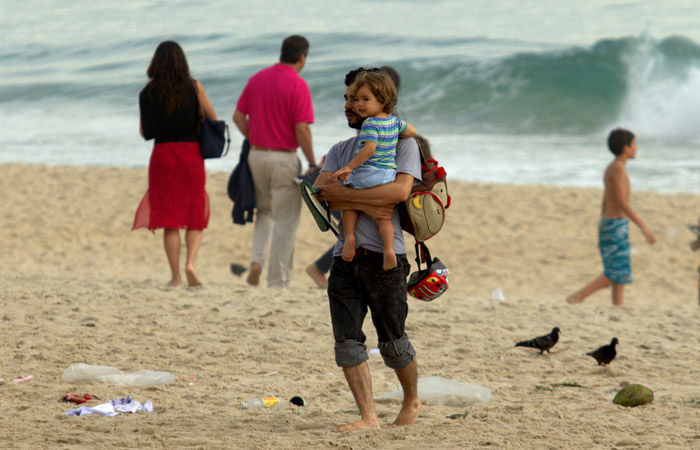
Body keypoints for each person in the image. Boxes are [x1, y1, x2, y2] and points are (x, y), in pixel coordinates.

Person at [313, 67, 422, 431]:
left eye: (357, 99)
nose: (350, 106)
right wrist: (356, 198)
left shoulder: (404, 145)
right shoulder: (339, 149)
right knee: (346, 341)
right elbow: (323, 193)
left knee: (393, 340)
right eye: (347, 99)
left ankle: (411, 400)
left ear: (379, 103)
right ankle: (368, 417)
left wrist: (346, 194)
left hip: (386, 258)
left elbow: (399, 192)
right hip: (344, 256)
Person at [232, 35, 317, 288]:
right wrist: (312, 161)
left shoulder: (257, 78)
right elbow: (301, 129)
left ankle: (257, 260)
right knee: (285, 220)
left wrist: (255, 138)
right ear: (302, 57)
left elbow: (238, 117)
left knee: (265, 212)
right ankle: (277, 281)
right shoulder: (298, 84)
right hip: (283, 158)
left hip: (256, 156)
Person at [132, 40, 217, 287]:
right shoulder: (194, 87)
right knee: (194, 211)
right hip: (190, 154)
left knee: (170, 218)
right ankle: (190, 263)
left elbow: (143, 131)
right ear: (182, 62)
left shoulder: (147, 93)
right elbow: (212, 116)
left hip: (162, 156)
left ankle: (175, 277)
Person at [333, 72, 416, 270]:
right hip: (387, 176)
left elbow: (369, 149)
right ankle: (388, 249)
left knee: (349, 201)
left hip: (368, 173)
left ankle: (350, 237)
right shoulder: (394, 123)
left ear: (382, 101)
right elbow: (411, 131)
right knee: (384, 217)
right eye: (356, 99)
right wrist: (398, 133)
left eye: (364, 99)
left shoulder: (370, 124)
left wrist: (350, 167)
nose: (358, 104)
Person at [566, 128, 656, 306]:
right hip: (616, 224)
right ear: (626, 148)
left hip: (610, 223)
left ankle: (618, 307)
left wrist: (601, 227)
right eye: (634, 145)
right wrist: (643, 227)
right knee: (615, 272)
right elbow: (622, 203)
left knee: (620, 271)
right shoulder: (618, 169)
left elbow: (605, 200)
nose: (636, 148)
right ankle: (578, 297)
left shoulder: (612, 168)